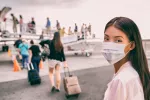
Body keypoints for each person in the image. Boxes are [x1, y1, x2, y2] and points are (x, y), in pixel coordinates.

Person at [102, 17, 150, 100]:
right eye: (106, 38)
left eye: (118, 41)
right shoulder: (134, 73)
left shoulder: (120, 80)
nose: (110, 45)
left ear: (131, 45)